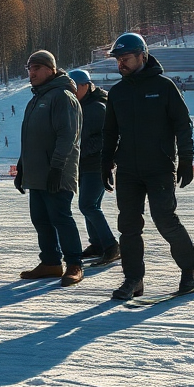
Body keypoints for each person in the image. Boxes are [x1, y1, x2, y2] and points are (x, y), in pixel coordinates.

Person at [101, 32, 194, 301]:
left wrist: (187, 159)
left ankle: (192, 268)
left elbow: (183, 125)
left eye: (125, 58)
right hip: (127, 170)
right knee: (129, 226)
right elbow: (110, 132)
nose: (120, 64)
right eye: (118, 60)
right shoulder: (118, 92)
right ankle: (133, 279)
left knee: (165, 219)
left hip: (159, 167)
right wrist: (105, 163)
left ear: (142, 56)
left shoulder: (164, 86)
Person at [15, 52, 84, 285]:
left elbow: (68, 136)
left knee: (61, 218)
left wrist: (57, 168)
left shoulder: (62, 96)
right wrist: (22, 166)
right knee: (40, 219)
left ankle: (74, 263)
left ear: (51, 69)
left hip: (57, 172)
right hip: (37, 174)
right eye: (29, 68)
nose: (31, 73)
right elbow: (29, 138)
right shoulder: (36, 99)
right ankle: (51, 262)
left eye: (36, 67)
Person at [68, 68, 118, 265]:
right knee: (90, 205)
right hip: (85, 164)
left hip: (96, 164)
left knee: (88, 205)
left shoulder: (97, 108)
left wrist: (81, 149)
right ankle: (97, 243)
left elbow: (106, 138)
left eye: (74, 88)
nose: (71, 92)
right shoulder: (80, 106)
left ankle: (111, 245)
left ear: (85, 86)